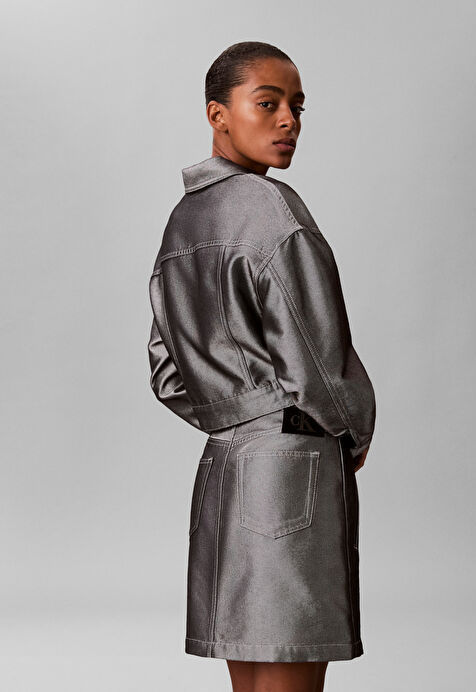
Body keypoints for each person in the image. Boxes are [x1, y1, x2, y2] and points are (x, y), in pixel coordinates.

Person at [147, 41, 376, 692]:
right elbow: (317, 358)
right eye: (267, 103)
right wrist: (354, 429)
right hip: (290, 470)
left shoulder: (183, 222)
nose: (288, 121)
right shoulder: (272, 210)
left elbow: (166, 371)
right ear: (217, 113)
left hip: (223, 469)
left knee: (251, 678)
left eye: (297, 107)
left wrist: (233, 413)